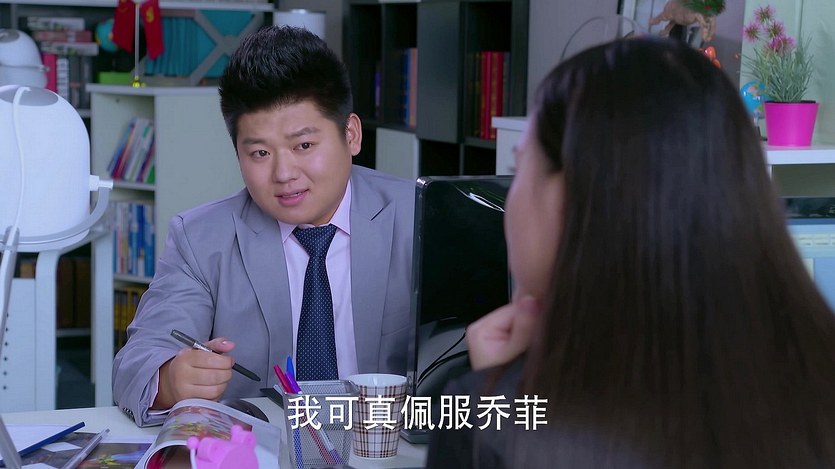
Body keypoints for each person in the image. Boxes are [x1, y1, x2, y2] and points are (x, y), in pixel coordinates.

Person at [427, 37, 835, 467]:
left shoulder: (494, 426)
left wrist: (493, 402)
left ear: (569, 199)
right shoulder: (815, 383)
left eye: (517, 168)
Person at [112, 26, 415, 427]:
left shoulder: (417, 218)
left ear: (351, 134)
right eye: (259, 153)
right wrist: (170, 378)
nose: (284, 173)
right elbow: (136, 361)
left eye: (304, 145)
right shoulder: (201, 239)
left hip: (386, 443)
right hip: (258, 446)